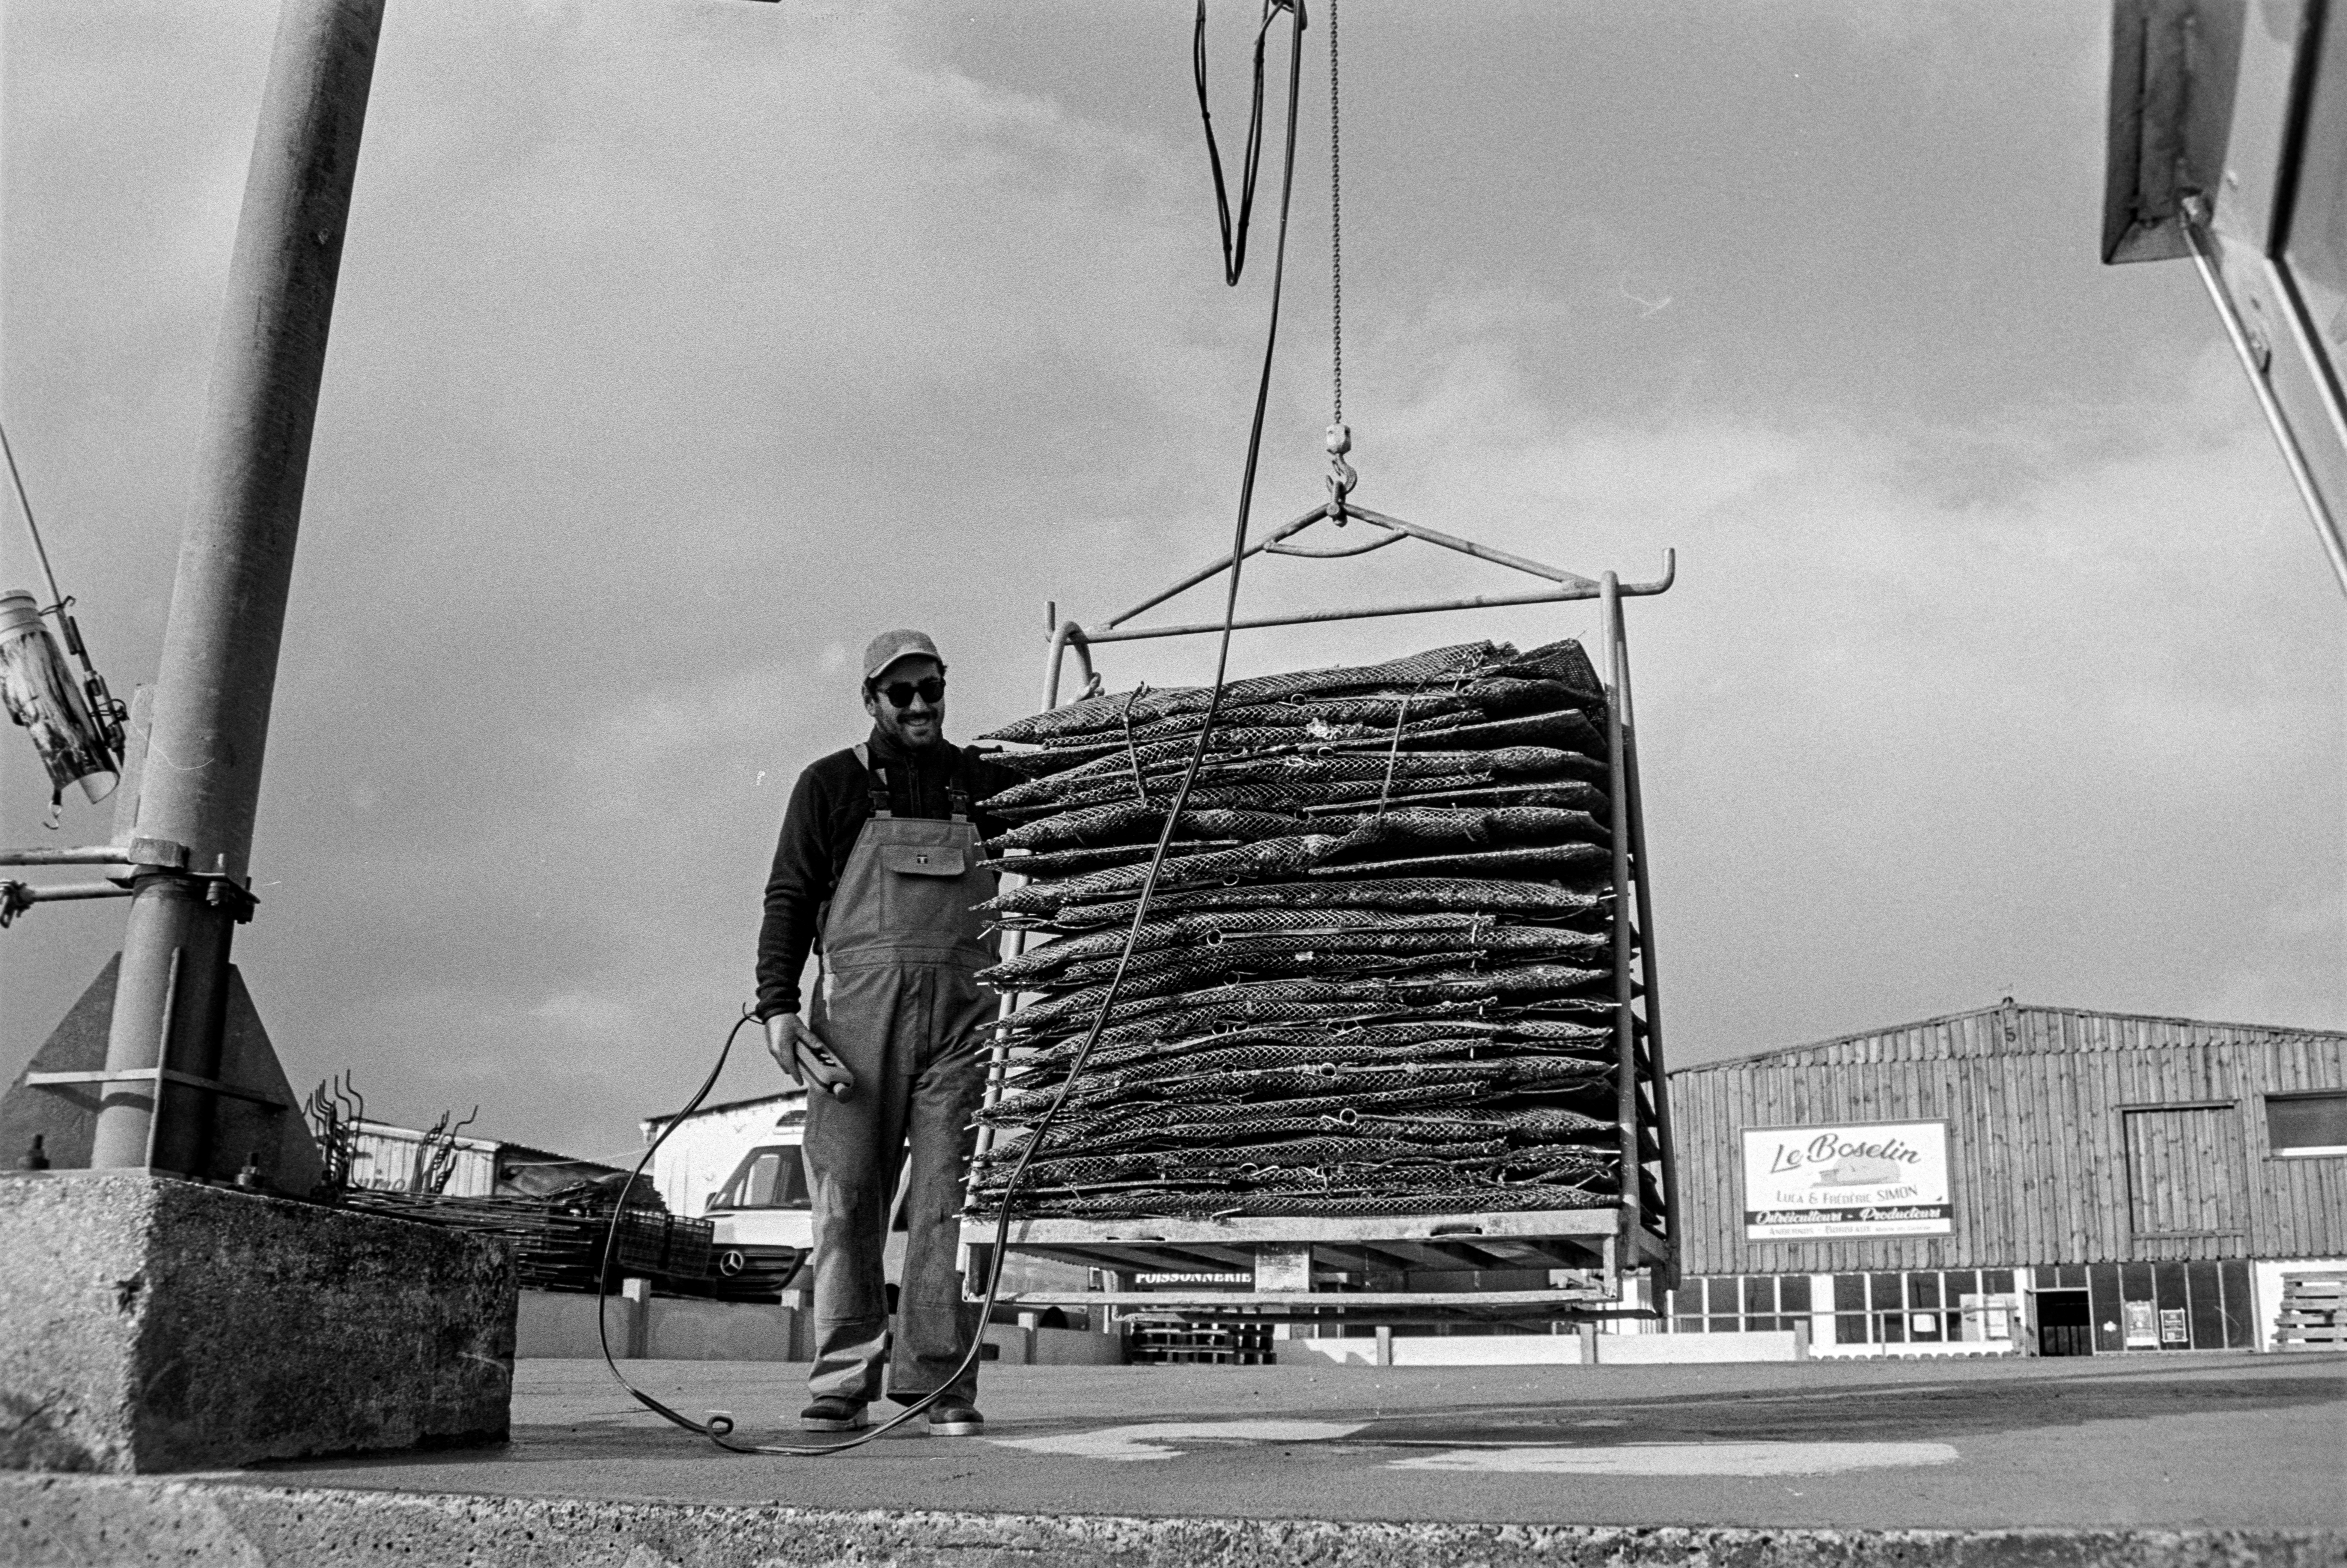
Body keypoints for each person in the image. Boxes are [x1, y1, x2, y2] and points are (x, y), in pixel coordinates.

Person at [755, 629, 1020, 1436]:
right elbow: (789, 897)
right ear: (871, 700)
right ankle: (841, 1382)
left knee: (944, 1203)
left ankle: (937, 1382)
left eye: (931, 688)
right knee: (845, 1200)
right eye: (900, 693)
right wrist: (776, 1005)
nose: (919, 706)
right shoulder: (830, 785)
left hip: (960, 1022)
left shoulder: (983, 783)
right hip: (854, 1028)